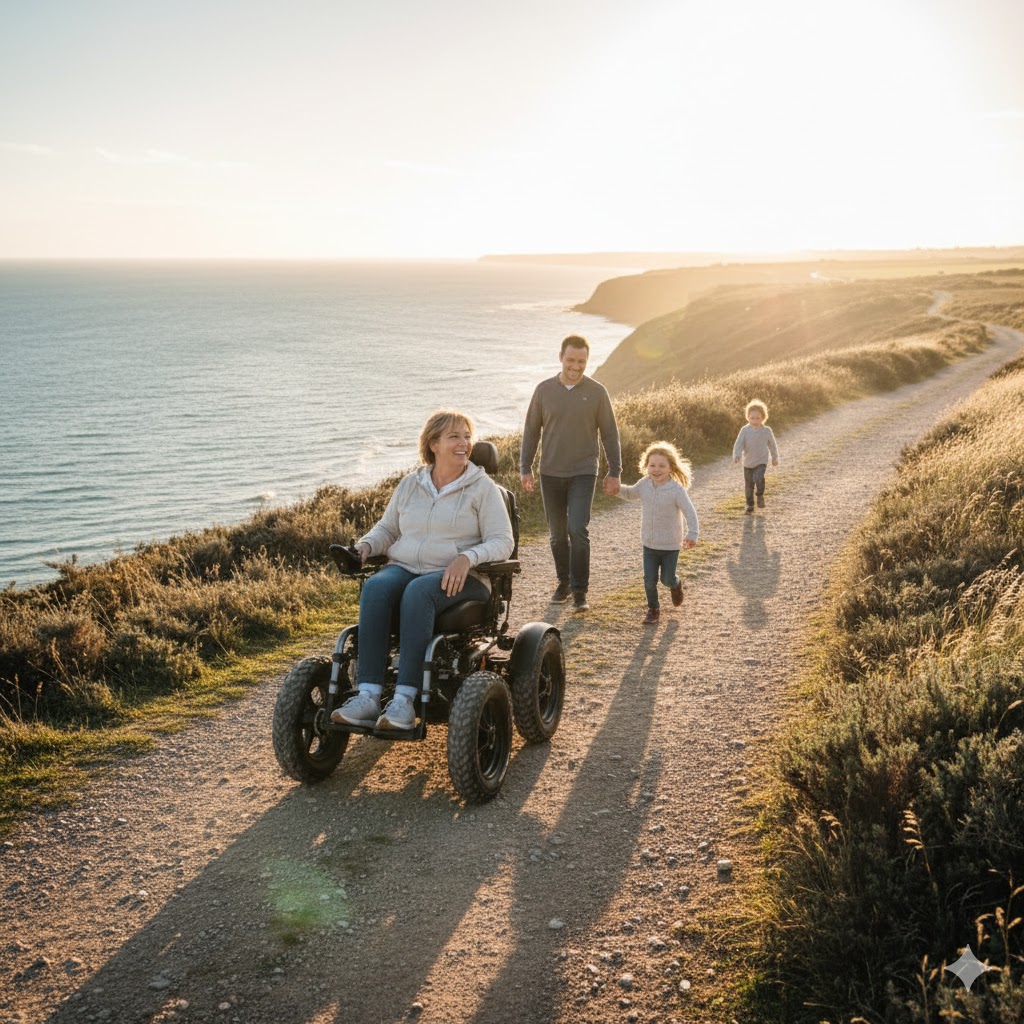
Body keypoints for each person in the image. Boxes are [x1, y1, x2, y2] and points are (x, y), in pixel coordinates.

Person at [331, 409, 514, 731]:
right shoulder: (410, 484)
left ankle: (404, 700)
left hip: (464, 577)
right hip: (407, 566)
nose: (465, 443)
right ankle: (369, 695)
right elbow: (387, 530)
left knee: (418, 593)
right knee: (375, 586)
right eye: (455, 436)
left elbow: (503, 541)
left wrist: (468, 557)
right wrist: (363, 549)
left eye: (467, 436)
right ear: (433, 444)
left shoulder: (482, 488)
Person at [519, 335, 622, 612]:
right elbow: (531, 431)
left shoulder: (597, 392)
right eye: (571, 360)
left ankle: (579, 591)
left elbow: (610, 434)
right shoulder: (543, 390)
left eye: (582, 361)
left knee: (577, 528)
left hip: (583, 471)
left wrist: (615, 471)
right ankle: (563, 583)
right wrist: (524, 467)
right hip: (550, 472)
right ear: (560, 357)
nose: (576, 366)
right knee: (556, 535)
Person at [618, 441, 699, 624]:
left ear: (671, 467)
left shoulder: (676, 490)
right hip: (649, 544)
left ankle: (676, 584)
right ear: (646, 466)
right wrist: (616, 489)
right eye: (652, 465)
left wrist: (692, 533)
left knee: (667, 579)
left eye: (662, 465)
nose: (656, 469)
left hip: (670, 545)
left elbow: (690, 512)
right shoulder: (644, 484)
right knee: (649, 581)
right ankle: (653, 609)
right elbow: (630, 493)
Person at [732, 398, 779, 514]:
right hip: (748, 463)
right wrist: (737, 455)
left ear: (763, 417)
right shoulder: (745, 430)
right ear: (748, 417)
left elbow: (772, 445)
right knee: (748, 486)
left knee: (758, 478)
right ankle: (749, 505)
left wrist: (775, 457)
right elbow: (739, 443)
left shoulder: (767, 431)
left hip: (761, 461)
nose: (755, 420)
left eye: (757, 418)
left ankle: (760, 495)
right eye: (752, 418)